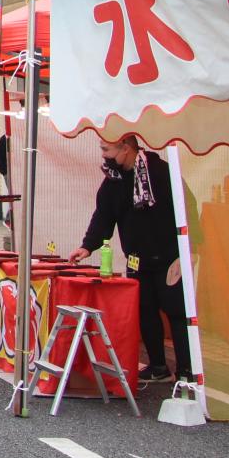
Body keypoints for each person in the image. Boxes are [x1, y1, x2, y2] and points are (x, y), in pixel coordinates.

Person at [68, 135, 192, 381]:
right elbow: (103, 216)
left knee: (176, 312)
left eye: (107, 149)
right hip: (136, 257)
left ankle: (186, 369)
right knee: (146, 310)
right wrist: (87, 246)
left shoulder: (160, 172)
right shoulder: (112, 182)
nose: (103, 154)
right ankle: (158, 366)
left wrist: (190, 245)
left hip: (170, 256)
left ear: (126, 149)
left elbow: (187, 204)